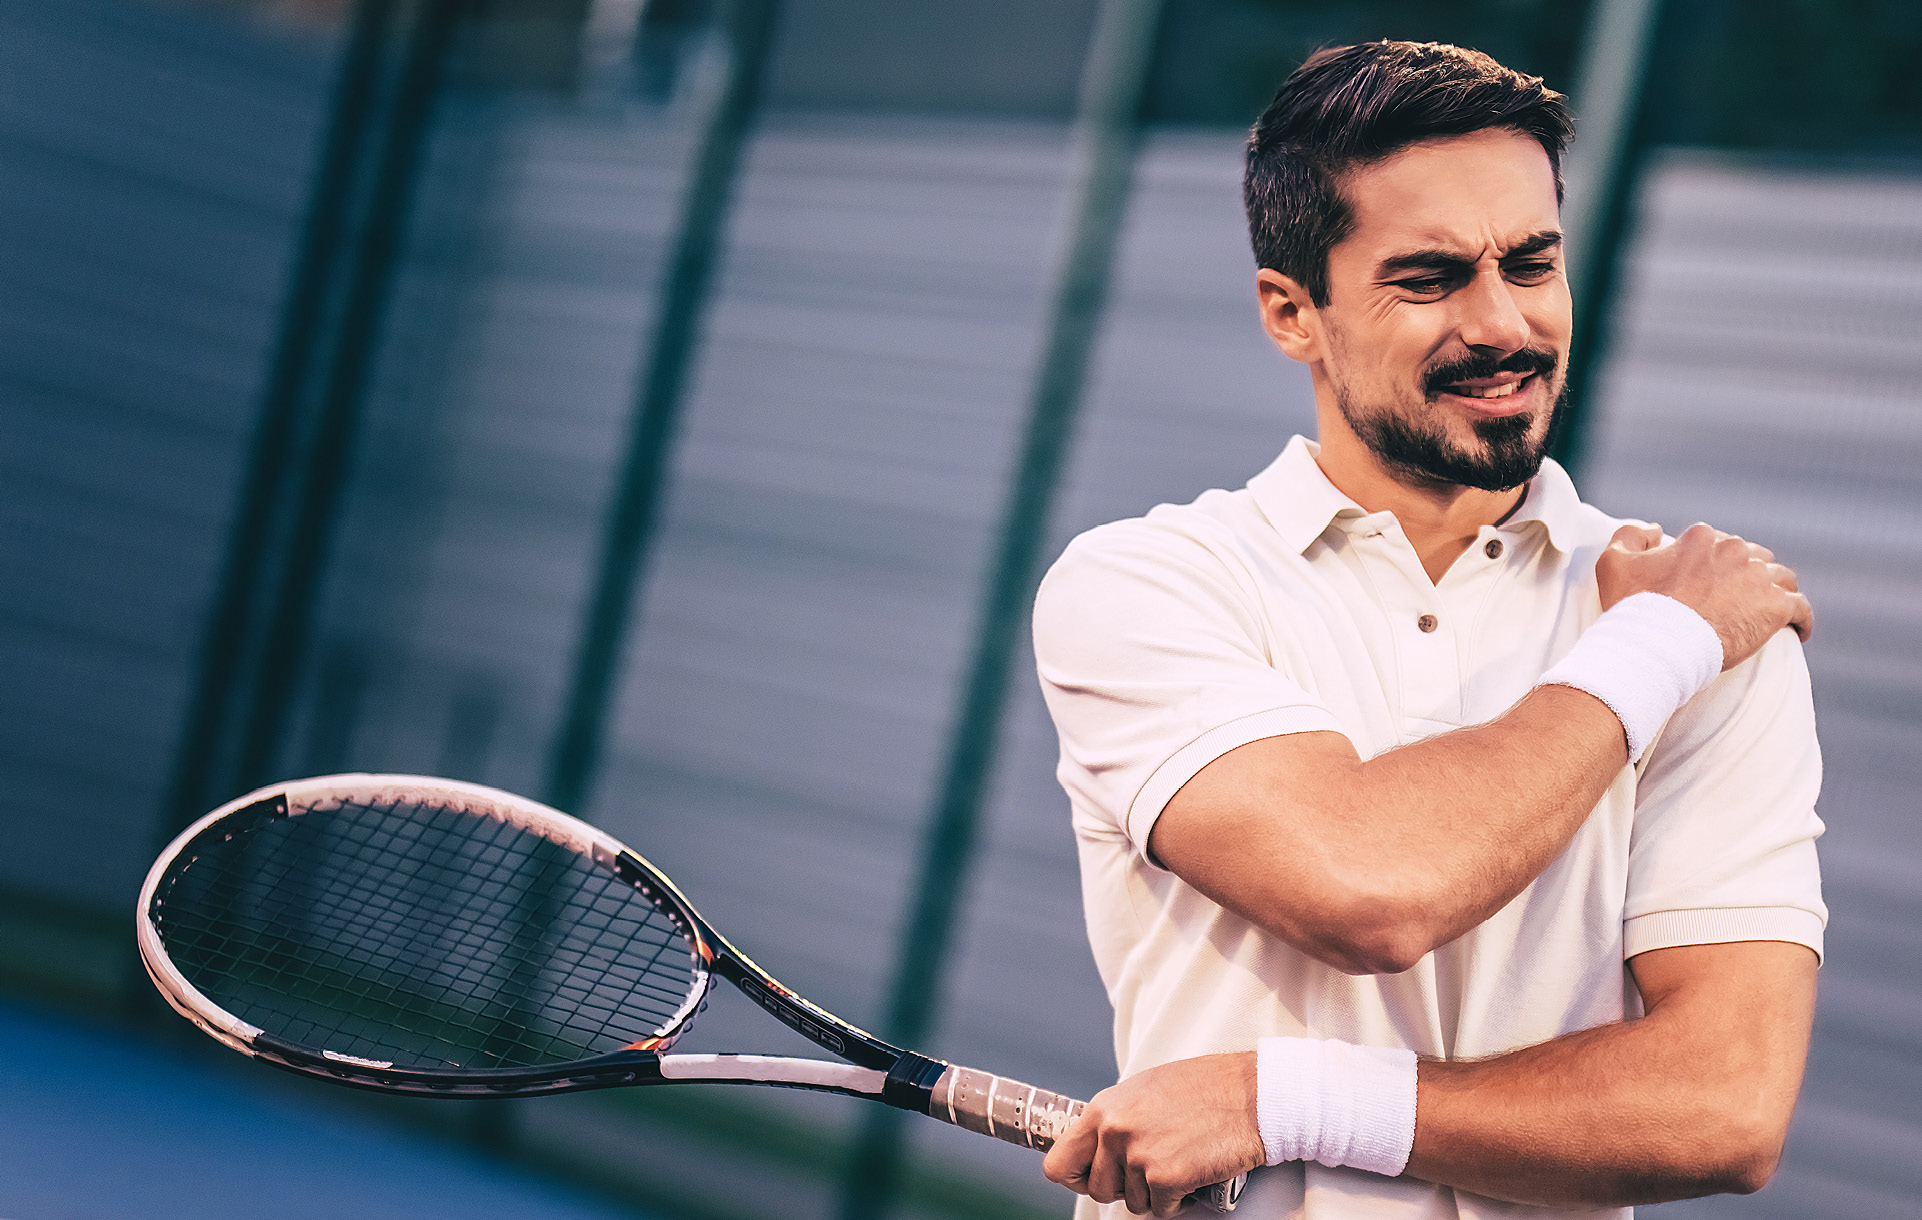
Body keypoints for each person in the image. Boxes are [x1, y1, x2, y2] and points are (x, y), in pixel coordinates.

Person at [1030, 41, 1824, 1220]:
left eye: (1532, 262)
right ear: (1291, 313)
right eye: (1428, 278)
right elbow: (1367, 887)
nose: (1501, 323)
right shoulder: (1146, 582)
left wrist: (1283, 1096)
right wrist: (1648, 652)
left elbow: (1720, 1107)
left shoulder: (1712, 633)